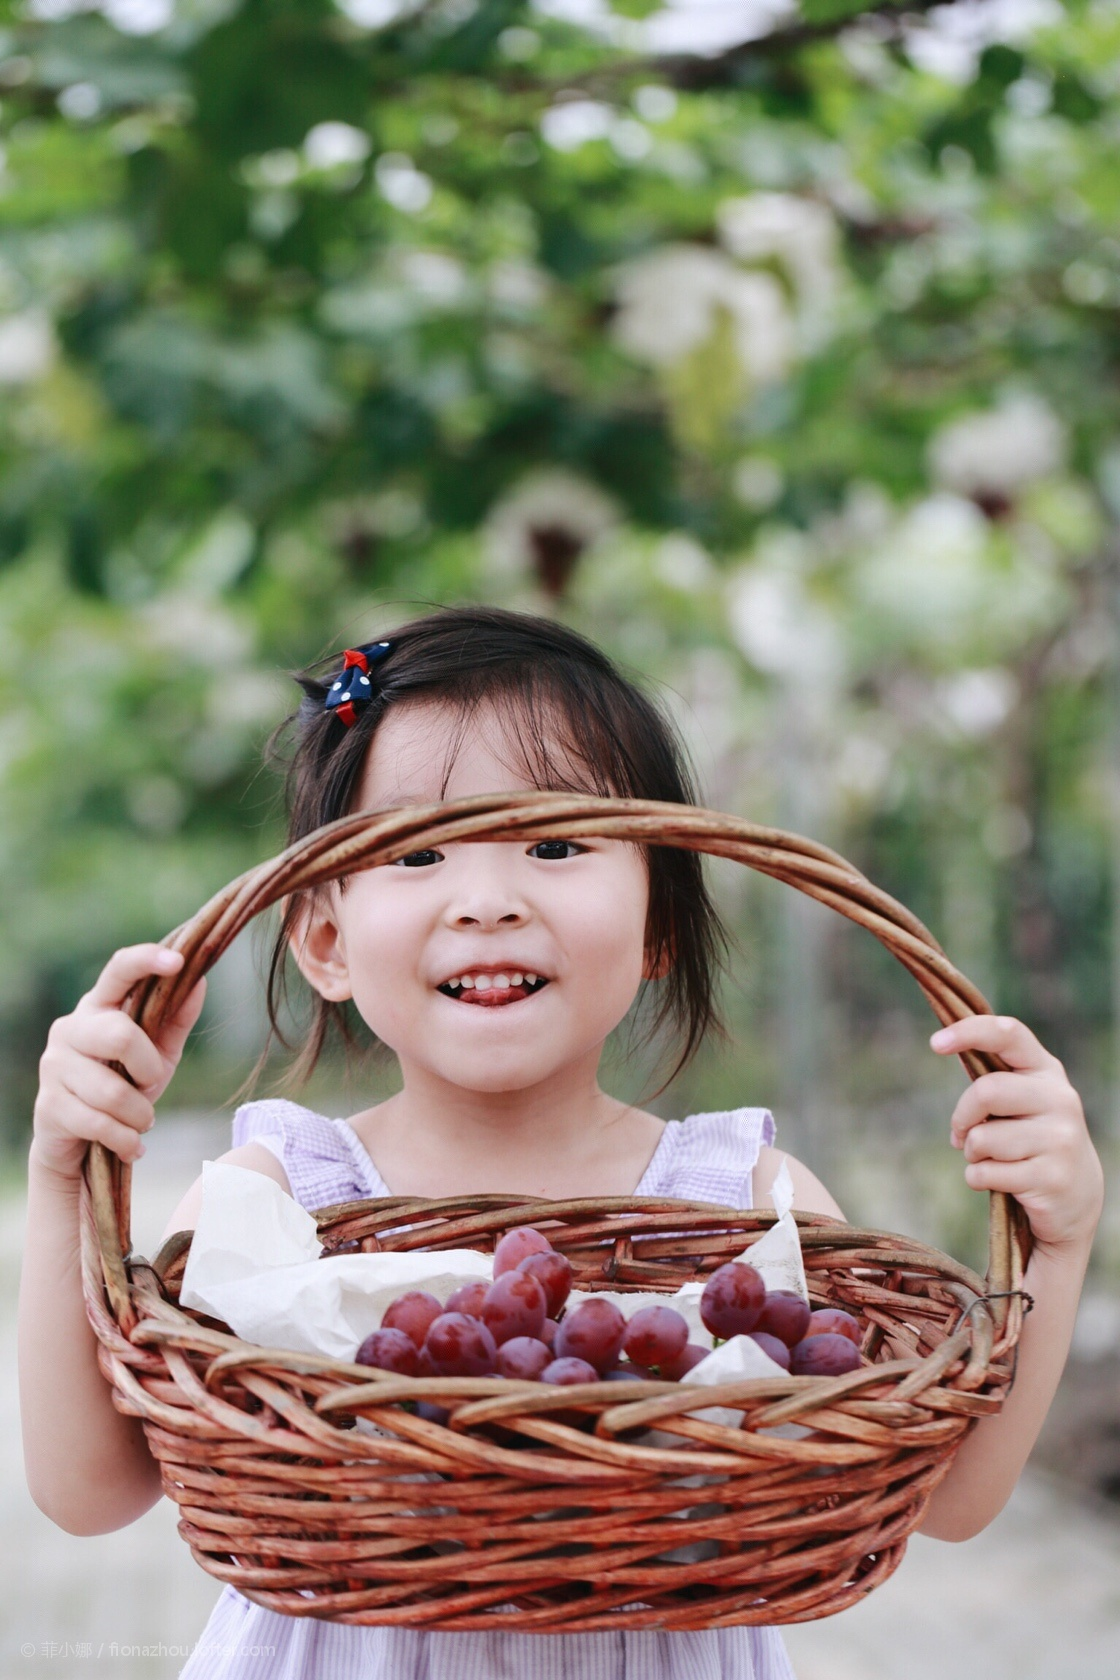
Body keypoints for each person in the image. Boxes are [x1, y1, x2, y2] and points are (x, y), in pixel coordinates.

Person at [21, 605, 1104, 1680]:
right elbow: (88, 1490)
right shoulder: (272, 1201)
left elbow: (947, 1502)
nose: (486, 900)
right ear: (322, 939)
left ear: (658, 928)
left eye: (553, 843)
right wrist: (67, 1170)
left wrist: (1055, 1248)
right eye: (419, 850)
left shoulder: (742, 1203)